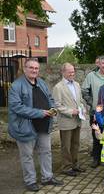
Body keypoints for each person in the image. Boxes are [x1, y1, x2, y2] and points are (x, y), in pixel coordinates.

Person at [8, 58, 63, 192]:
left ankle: (47, 177)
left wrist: (52, 109)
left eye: (36, 68)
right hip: (25, 126)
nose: (34, 70)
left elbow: (50, 98)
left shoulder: (42, 83)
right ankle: (30, 181)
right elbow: (17, 107)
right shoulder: (16, 86)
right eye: (31, 68)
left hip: (43, 124)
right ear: (25, 69)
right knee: (27, 155)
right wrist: (40, 113)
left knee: (46, 152)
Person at [53, 63, 86, 177]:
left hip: (77, 120)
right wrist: (70, 111)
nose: (73, 74)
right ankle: (66, 167)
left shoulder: (76, 84)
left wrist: (82, 108)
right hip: (66, 121)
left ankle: (75, 165)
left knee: (76, 144)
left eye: (73, 71)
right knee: (66, 145)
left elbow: (80, 100)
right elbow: (57, 105)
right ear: (63, 72)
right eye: (70, 72)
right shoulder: (58, 87)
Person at [81, 55, 104, 168]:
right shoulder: (91, 76)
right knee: (96, 135)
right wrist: (92, 102)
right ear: (98, 64)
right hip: (95, 112)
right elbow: (84, 91)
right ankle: (96, 159)